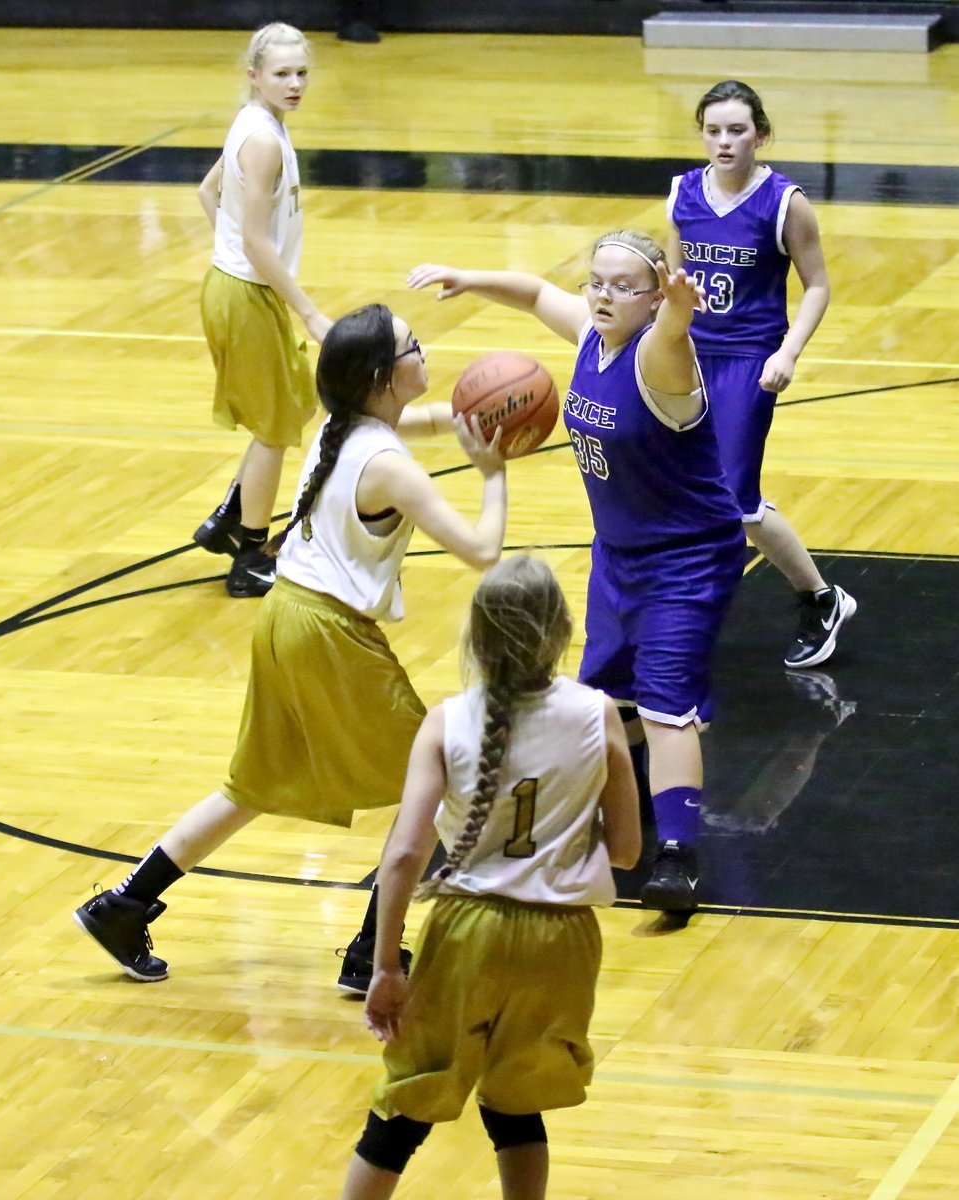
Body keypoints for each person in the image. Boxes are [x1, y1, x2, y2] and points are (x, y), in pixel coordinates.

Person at [74, 304, 508, 988]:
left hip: (282, 617)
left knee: (253, 785)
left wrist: (480, 418)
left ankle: (124, 904)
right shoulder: (388, 467)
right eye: (412, 348)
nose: (425, 353)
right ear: (380, 376)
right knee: (444, 775)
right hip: (327, 633)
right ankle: (374, 952)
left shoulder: (340, 430)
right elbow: (482, 552)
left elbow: (421, 423)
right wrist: (492, 472)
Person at [408, 230, 745, 912]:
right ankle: (625, 797)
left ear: (652, 299)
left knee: (665, 702)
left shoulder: (658, 354)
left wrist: (678, 308)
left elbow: (673, 336)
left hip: (687, 555)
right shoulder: (594, 333)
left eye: (625, 286)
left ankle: (677, 859)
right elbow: (536, 293)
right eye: (597, 281)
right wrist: (466, 274)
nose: (603, 295)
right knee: (603, 696)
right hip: (617, 552)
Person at [338, 555, 641, 1200]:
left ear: (475, 637)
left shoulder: (447, 721)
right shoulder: (599, 714)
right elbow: (627, 851)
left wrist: (387, 965)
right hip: (564, 940)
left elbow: (401, 857)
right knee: (515, 1102)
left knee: (403, 1105)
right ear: (563, 630)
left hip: (468, 931)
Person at [667, 79, 856, 668]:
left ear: (761, 135)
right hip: (687, 358)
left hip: (749, 361)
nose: (723, 141)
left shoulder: (784, 201)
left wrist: (788, 353)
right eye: (713, 130)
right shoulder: (680, 193)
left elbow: (818, 285)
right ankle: (820, 599)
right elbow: (672, 287)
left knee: (732, 498)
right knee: (697, 492)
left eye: (737, 130)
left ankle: (819, 598)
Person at [193, 23, 333, 598]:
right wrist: (308, 312)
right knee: (277, 429)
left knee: (298, 401)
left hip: (240, 287)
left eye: (301, 73)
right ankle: (250, 555)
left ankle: (230, 512)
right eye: (282, 74)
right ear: (255, 76)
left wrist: (233, 257)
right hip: (247, 292)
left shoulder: (256, 124)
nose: (295, 83)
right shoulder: (265, 142)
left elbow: (207, 192)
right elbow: (254, 242)